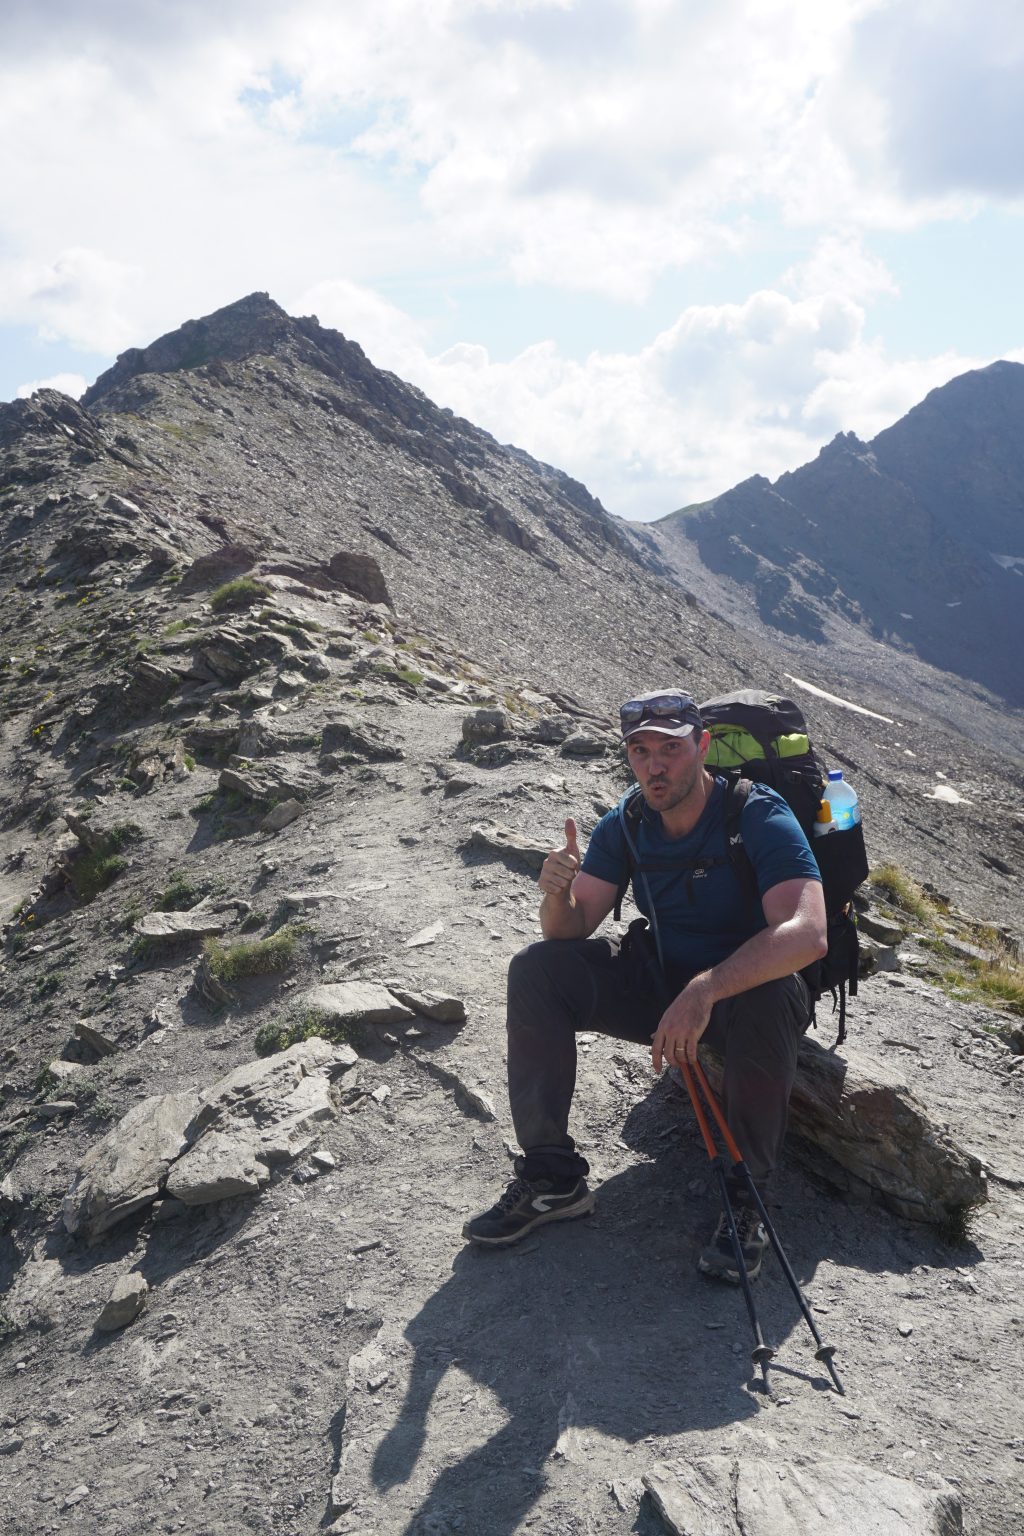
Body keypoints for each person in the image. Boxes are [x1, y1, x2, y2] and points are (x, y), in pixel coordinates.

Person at [463, 689, 828, 1281]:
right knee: (535, 969)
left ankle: (747, 1200)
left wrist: (705, 991)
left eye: (670, 749)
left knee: (766, 996)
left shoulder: (756, 814)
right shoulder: (629, 821)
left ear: (702, 748)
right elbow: (571, 928)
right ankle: (553, 1178)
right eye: (640, 751)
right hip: (663, 982)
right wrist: (555, 890)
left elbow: (808, 934)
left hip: (748, 994)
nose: (655, 765)